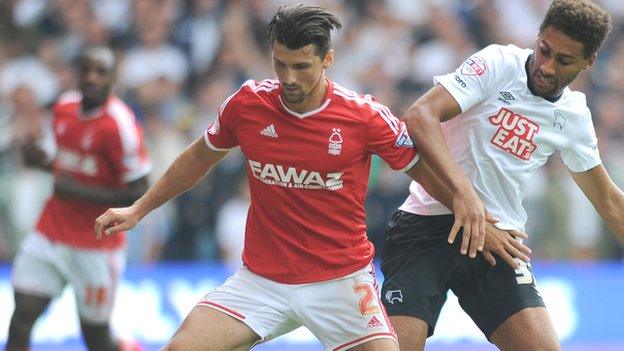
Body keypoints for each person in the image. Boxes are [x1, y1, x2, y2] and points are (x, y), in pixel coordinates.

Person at [93, 5, 526, 351]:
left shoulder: (364, 116)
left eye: (301, 66)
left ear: (327, 59)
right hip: (261, 281)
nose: (288, 79)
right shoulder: (247, 104)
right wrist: (139, 208)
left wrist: (477, 217)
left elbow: (424, 173)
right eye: (280, 65)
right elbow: (198, 157)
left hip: (341, 282)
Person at [380, 0, 618, 350]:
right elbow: (420, 116)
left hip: (497, 245)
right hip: (426, 225)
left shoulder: (574, 116)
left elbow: (610, 202)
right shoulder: (497, 63)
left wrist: (478, 213)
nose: (547, 67)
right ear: (537, 37)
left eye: (564, 60)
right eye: (544, 50)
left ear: (589, 62)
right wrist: (466, 195)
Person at [6, 47, 150, 351]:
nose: (92, 78)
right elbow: (67, 166)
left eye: (101, 72)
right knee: (21, 319)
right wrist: (39, 162)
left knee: (96, 339)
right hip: (51, 232)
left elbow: (139, 190)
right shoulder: (63, 108)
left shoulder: (120, 126)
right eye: (86, 71)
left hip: (97, 244)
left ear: (114, 79)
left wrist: (79, 193)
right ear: (76, 74)